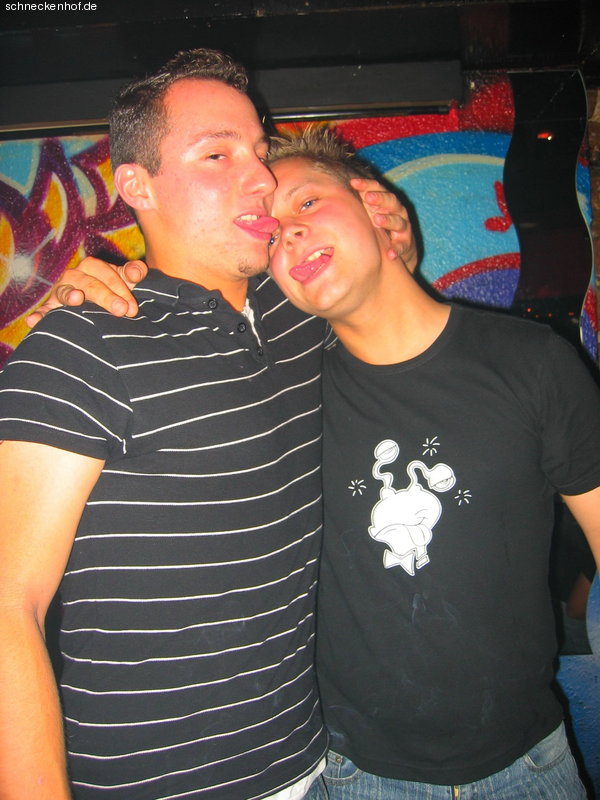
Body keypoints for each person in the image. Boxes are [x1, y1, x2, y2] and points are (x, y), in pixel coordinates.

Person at [60, 127, 600, 799]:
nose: (288, 233)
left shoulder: (533, 364)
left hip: (531, 767)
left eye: (308, 203)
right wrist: (105, 288)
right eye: (271, 235)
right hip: (353, 776)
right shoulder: (285, 389)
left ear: (374, 206)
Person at [0, 53, 412, 800]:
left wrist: (391, 238)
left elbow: (396, 311)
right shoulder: (84, 343)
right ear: (137, 185)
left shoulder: (300, 310)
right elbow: (7, 606)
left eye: (259, 151)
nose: (260, 178)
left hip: (313, 765)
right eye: (218, 155)